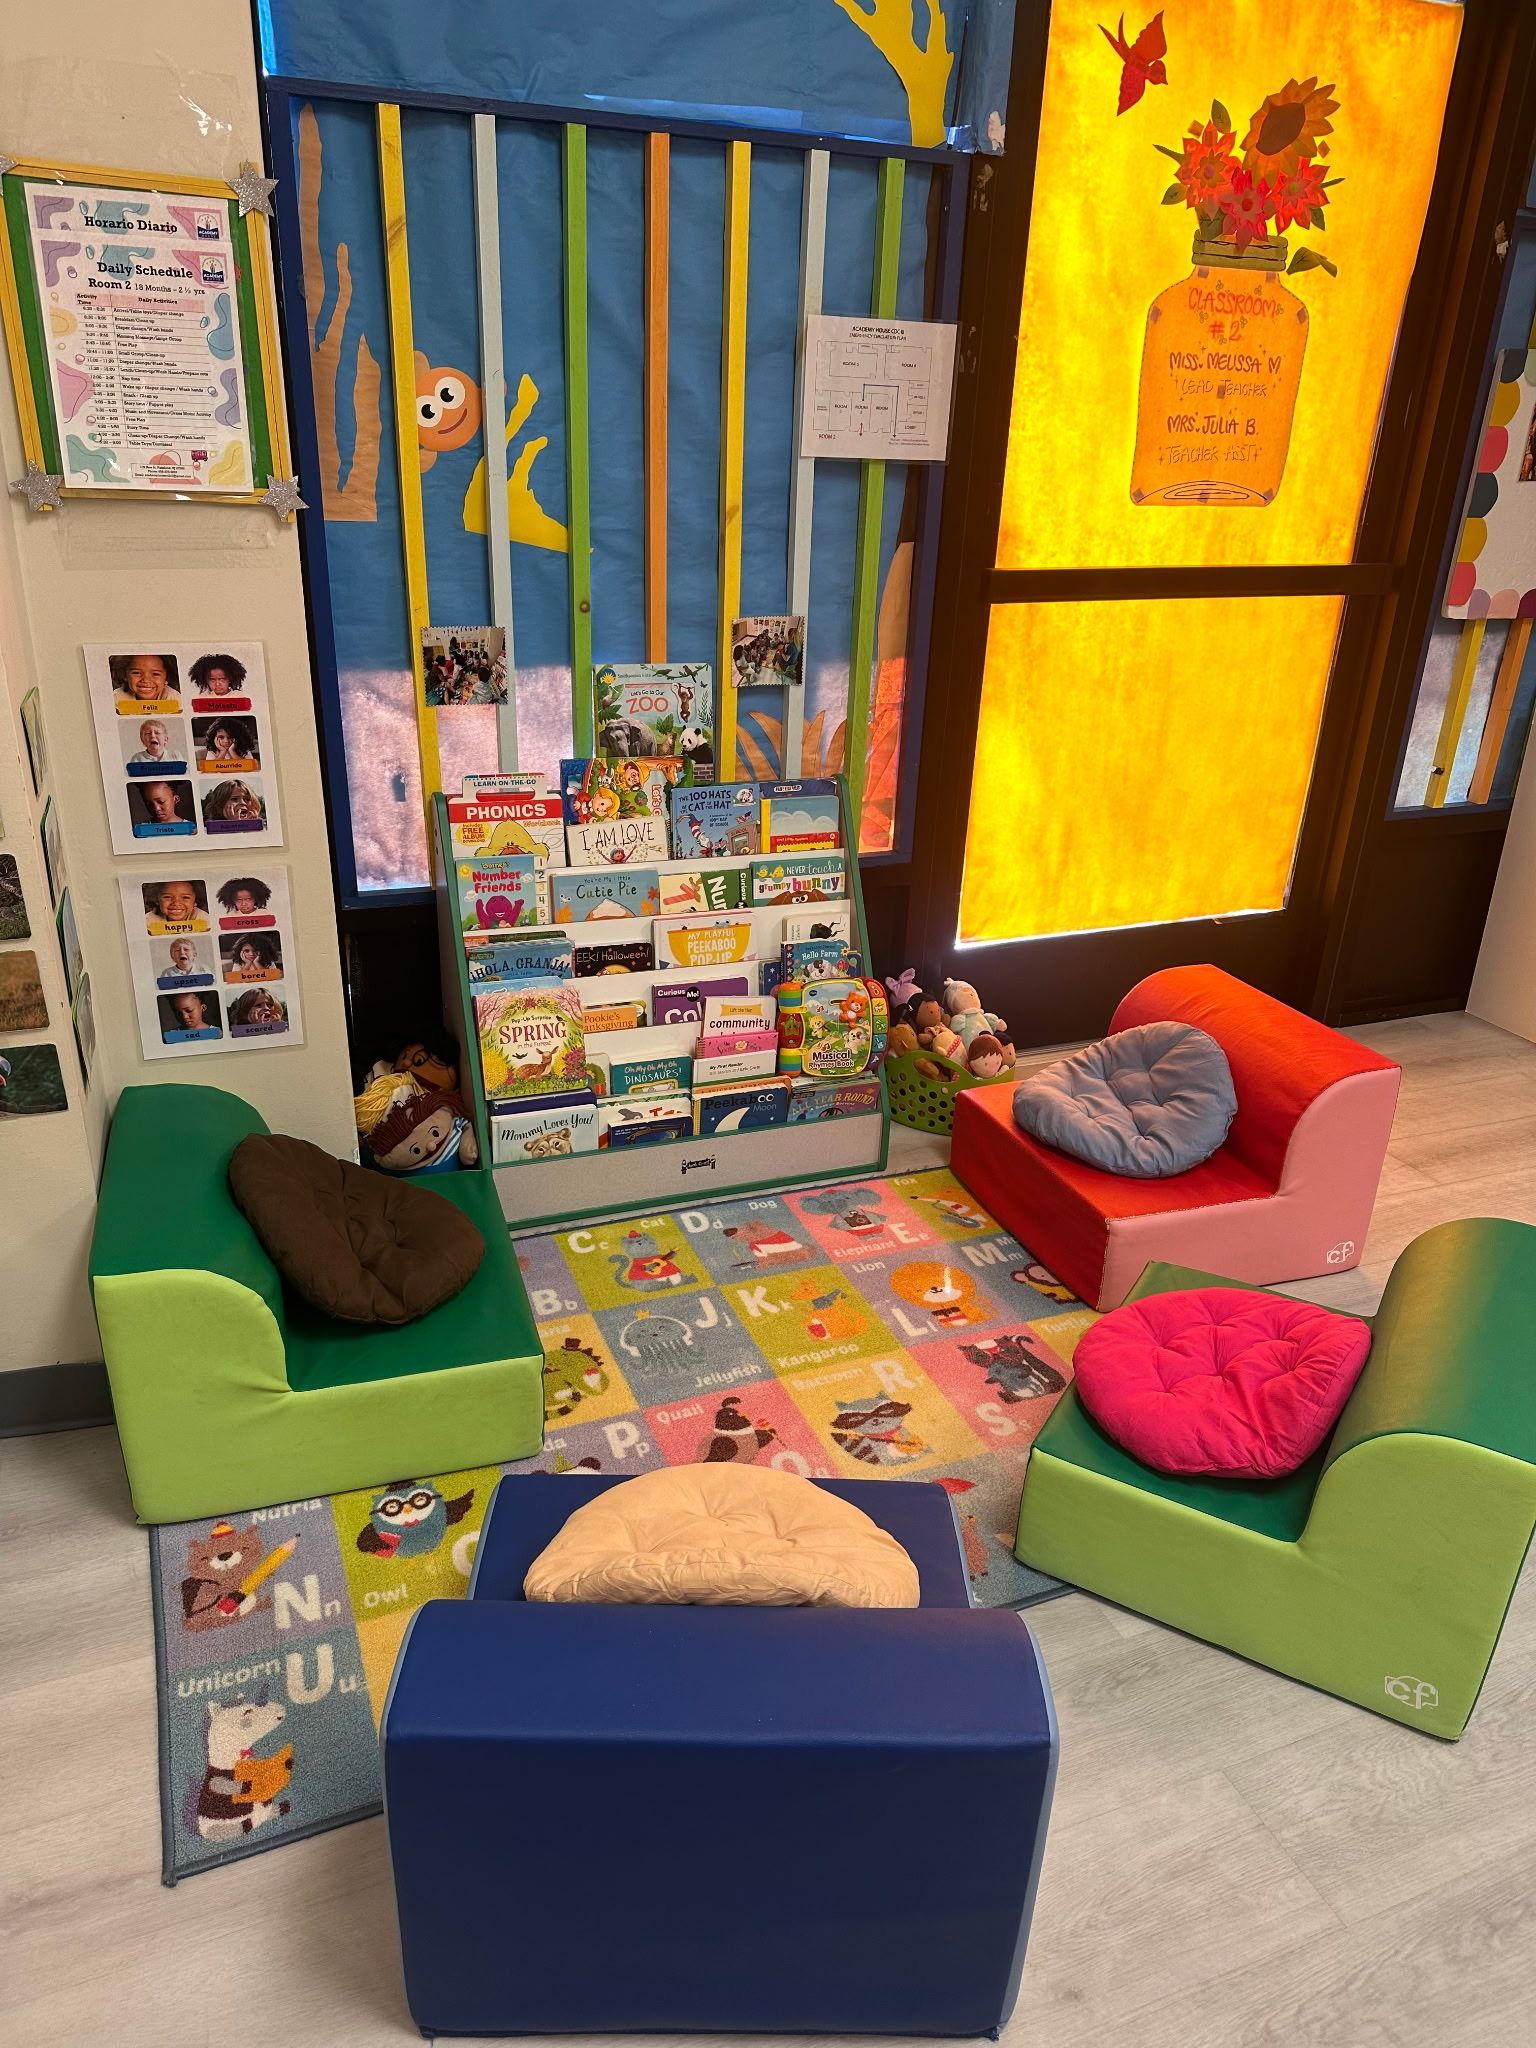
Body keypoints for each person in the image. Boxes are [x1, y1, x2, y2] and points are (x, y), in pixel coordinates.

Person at [112, 653, 179, 712]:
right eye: (136, 673)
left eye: (155, 674)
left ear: (167, 678)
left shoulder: (175, 700)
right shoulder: (116, 698)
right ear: (125, 675)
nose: (146, 680)